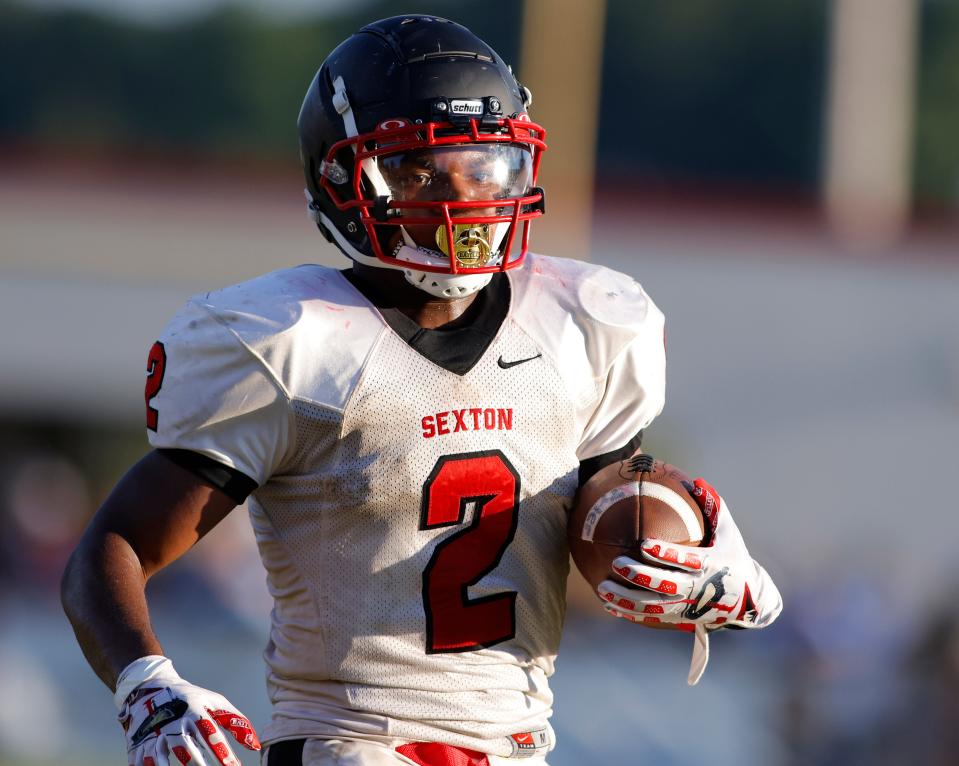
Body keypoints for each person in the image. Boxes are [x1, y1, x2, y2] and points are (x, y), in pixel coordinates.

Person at [61, 15, 782, 766]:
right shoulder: (288, 340)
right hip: (351, 746)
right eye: (416, 171)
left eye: (483, 166)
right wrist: (146, 687)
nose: (459, 195)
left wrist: (705, 541)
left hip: (520, 748)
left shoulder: (583, 321)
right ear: (340, 181)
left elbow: (612, 502)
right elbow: (113, 547)